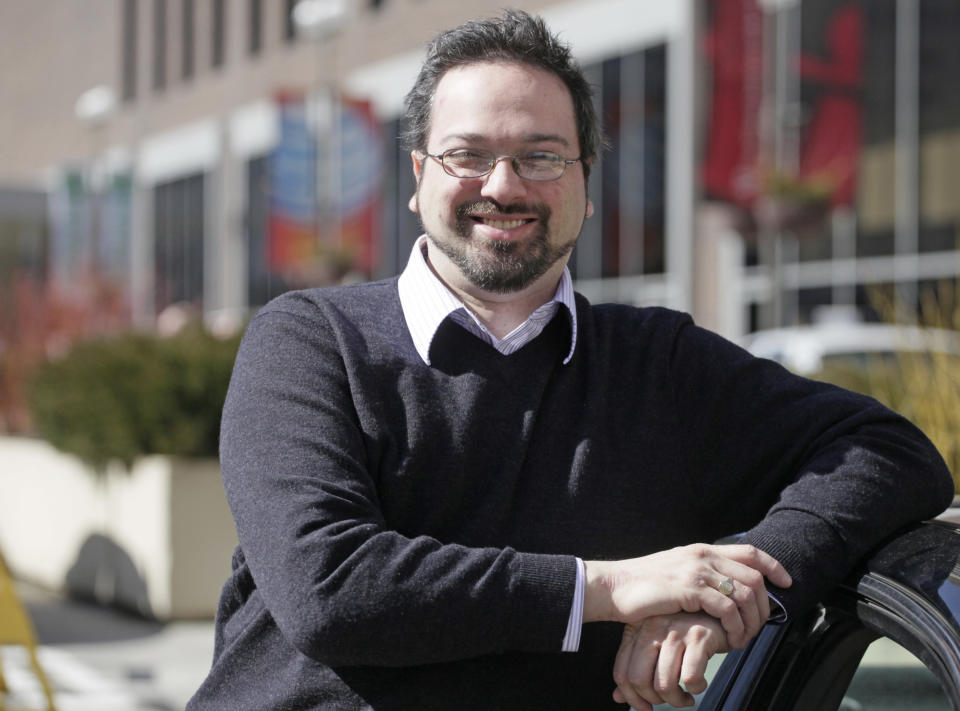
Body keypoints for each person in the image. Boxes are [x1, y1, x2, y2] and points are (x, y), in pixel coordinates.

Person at [187, 10, 952, 711]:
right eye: (468, 154)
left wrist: (719, 591)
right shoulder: (309, 342)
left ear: (587, 186)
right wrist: (615, 587)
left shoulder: (659, 363)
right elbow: (332, 590)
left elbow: (890, 451)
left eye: (541, 156)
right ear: (417, 179)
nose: (503, 184)